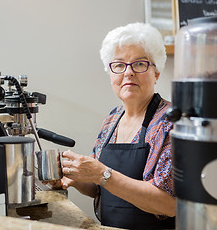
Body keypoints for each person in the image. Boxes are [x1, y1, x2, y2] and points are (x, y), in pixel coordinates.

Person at [58, 23, 176, 229]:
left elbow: (169, 204)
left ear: (156, 74)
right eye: (119, 65)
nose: (128, 73)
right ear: (111, 74)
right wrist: (76, 178)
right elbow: (99, 187)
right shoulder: (112, 119)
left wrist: (104, 174)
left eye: (139, 64)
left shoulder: (171, 122)